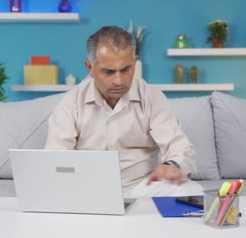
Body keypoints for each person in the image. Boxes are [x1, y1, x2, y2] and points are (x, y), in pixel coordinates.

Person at [45, 25, 196, 193]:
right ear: (90, 68)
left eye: (125, 69)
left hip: (142, 187)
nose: (119, 81)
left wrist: (171, 166)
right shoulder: (70, 102)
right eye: (108, 72)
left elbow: (178, 145)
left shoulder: (152, 97)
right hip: (87, 188)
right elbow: (56, 158)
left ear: (134, 61)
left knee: (190, 191)